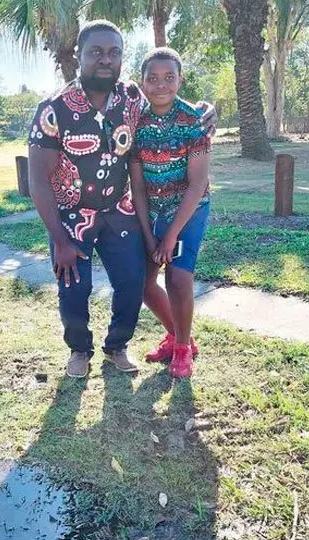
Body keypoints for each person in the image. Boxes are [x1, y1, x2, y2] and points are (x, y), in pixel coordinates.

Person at [28, 22, 216, 378]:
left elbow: (168, 102)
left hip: (120, 209)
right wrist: (59, 240)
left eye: (114, 52)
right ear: (79, 56)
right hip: (73, 216)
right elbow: (37, 180)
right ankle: (79, 350)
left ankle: (117, 346)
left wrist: (206, 110)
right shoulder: (53, 109)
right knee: (74, 287)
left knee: (133, 282)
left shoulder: (131, 97)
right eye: (96, 52)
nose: (106, 59)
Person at [129, 47, 213, 379]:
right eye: (152, 78)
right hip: (153, 212)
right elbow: (137, 187)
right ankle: (180, 337)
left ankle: (181, 350)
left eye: (169, 77)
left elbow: (198, 183)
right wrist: (150, 236)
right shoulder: (136, 123)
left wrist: (170, 237)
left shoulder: (195, 121)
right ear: (142, 82)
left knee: (178, 278)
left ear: (181, 80)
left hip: (189, 210)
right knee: (142, 282)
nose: (160, 84)